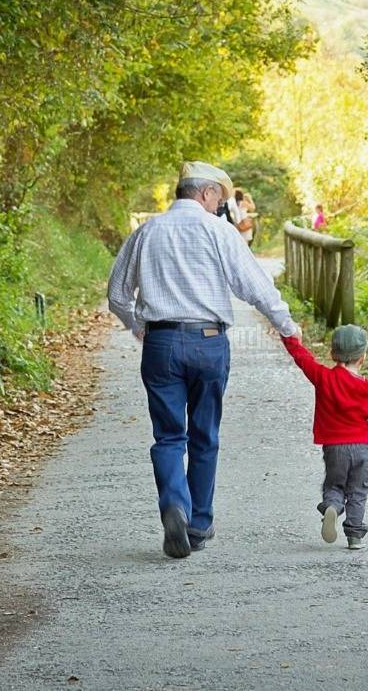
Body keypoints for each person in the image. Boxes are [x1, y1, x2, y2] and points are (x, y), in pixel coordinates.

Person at [107, 161, 299, 559]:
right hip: (209, 342)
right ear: (206, 193)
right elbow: (256, 288)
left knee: (168, 436)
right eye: (219, 198)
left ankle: (174, 505)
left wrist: (137, 325)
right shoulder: (220, 232)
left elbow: (117, 294)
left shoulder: (147, 231)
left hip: (160, 343)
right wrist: (286, 326)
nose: (220, 206)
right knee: (204, 435)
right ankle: (198, 523)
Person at [281, 325, 368, 549]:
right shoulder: (366, 388)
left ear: (332, 354)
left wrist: (289, 337)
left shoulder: (322, 377)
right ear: (363, 357)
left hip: (334, 447)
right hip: (362, 447)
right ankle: (354, 537)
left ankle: (332, 507)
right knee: (358, 490)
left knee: (335, 484)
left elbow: (302, 359)